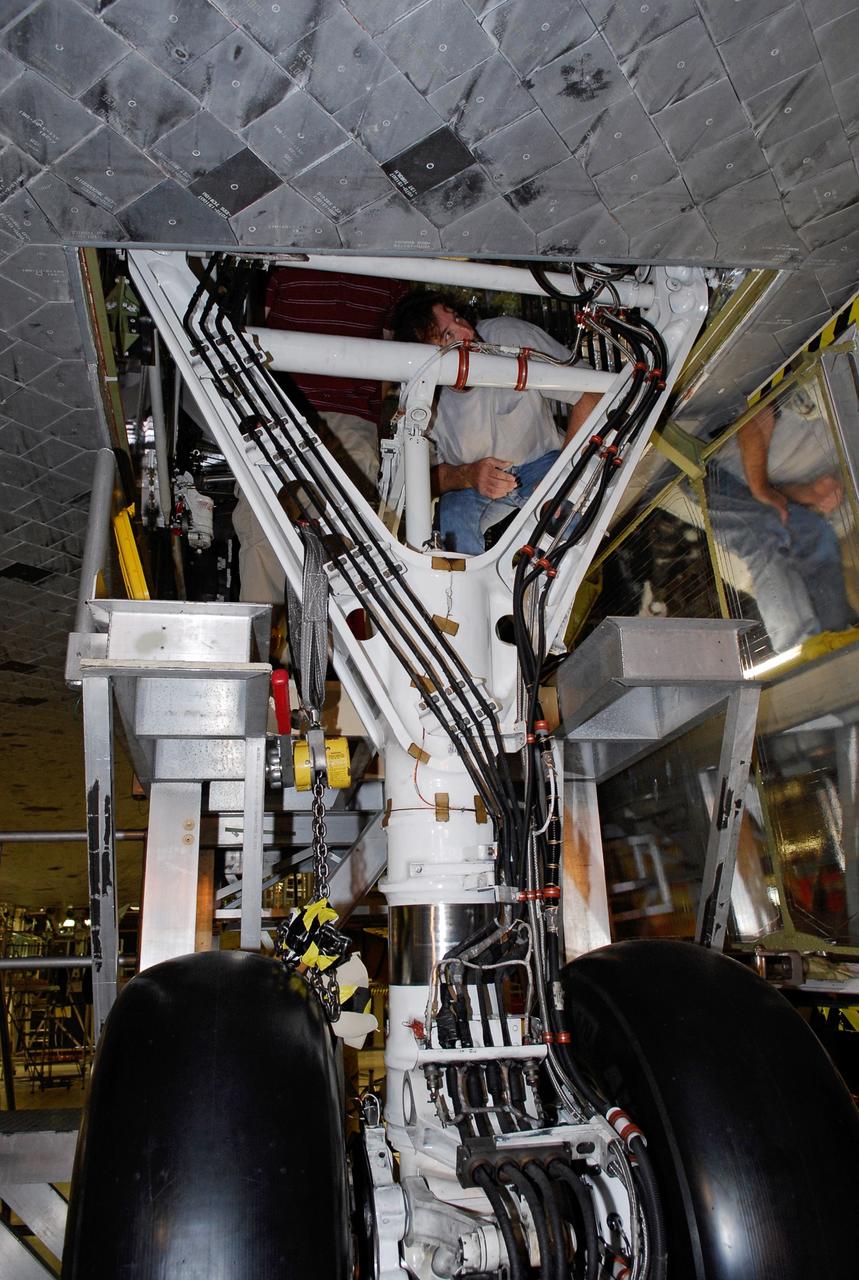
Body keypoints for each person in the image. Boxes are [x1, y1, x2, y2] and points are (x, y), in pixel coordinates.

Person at [234, 267, 406, 602]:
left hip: (352, 418)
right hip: (280, 411)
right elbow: (254, 338)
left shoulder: (391, 274)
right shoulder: (285, 262)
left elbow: (390, 354)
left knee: (347, 544)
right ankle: (263, 643)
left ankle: (335, 648)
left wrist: (376, 425)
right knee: (263, 530)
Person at [390, 291, 602, 554]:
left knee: (568, 524)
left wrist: (564, 476)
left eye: (457, 318)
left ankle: (549, 586)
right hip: (472, 487)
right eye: (448, 336)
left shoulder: (509, 338)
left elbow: (593, 393)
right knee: (450, 532)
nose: (465, 332)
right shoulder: (421, 395)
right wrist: (467, 474)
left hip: (543, 462)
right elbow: (422, 481)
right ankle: (465, 592)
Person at [708, 385, 852, 653]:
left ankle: (838, 638)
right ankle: (799, 649)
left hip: (752, 475)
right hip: (712, 462)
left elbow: (773, 494)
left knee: (816, 534)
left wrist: (806, 493)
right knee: (762, 536)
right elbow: (754, 413)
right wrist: (763, 488)